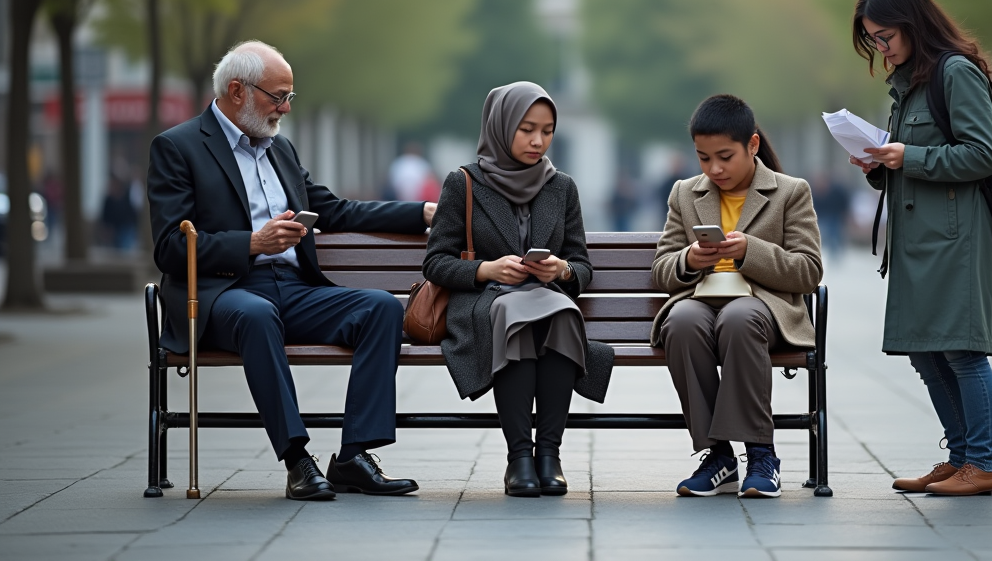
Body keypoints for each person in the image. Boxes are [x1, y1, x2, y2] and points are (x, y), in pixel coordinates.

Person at [147, 41, 436, 501]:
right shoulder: (178, 147)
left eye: (289, 98)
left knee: (380, 308)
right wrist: (253, 243)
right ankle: (298, 460)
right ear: (237, 91)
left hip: (294, 289)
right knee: (257, 315)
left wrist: (421, 212)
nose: (284, 108)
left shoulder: (280, 149)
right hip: (223, 295)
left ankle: (354, 457)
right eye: (277, 96)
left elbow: (335, 211)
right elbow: (169, 247)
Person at [850, 0, 992, 496]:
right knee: (924, 350)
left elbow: (984, 154)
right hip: (918, 238)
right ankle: (959, 456)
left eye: (885, 37)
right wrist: (878, 162)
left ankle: (984, 465)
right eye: (874, 40)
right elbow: (911, 158)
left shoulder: (955, 72)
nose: (881, 48)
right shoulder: (910, 83)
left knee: (962, 349)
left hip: (956, 238)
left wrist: (907, 155)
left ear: (911, 24)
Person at [422, 82, 613, 497]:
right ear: (500, 125)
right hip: (485, 303)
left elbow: (581, 264)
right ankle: (520, 457)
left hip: (546, 299)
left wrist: (560, 270)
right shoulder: (464, 183)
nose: (537, 140)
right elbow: (435, 263)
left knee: (561, 313)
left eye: (546, 131)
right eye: (526, 128)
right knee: (517, 318)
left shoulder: (560, 186)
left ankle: (549, 455)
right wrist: (487, 270)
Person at [651, 94, 822, 498]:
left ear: (753, 145)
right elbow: (662, 270)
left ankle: (762, 453)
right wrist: (690, 259)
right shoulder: (685, 193)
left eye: (725, 156)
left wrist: (750, 251)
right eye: (704, 158)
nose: (715, 168)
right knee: (682, 321)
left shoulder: (790, 193)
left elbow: (809, 271)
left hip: (763, 310)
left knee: (740, 317)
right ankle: (718, 457)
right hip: (701, 302)